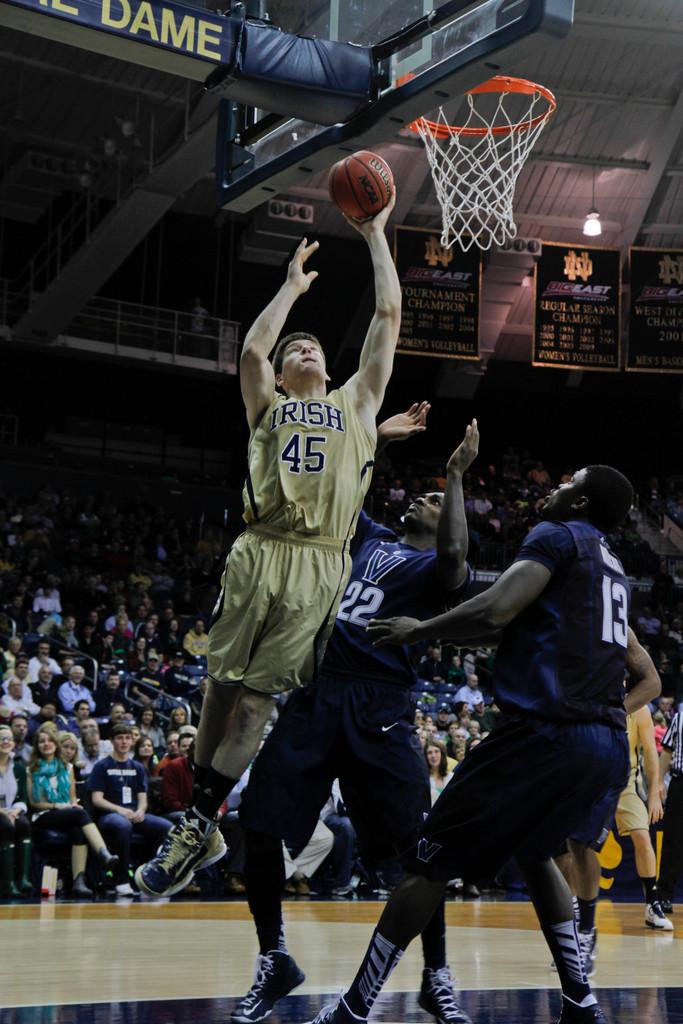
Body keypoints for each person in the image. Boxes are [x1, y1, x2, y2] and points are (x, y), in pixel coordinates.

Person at [316, 464, 659, 1024]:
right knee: (535, 850)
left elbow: (497, 608)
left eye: (566, 484)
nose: (553, 489)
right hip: (601, 747)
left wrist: (419, 630)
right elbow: (503, 627)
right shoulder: (612, 567)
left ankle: (353, 1010)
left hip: (543, 733)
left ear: (579, 504)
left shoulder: (555, 536)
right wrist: (448, 630)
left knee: (426, 861)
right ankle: (581, 1000)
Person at [136, 191, 401, 898]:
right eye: (296, 351)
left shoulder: (358, 401)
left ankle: (195, 824)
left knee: (254, 703)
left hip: (318, 559)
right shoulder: (271, 406)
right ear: (285, 377)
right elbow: (253, 348)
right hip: (258, 548)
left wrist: (374, 235)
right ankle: (203, 818)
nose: (305, 347)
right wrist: (288, 289)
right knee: (218, 690)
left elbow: (386, 315)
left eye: (313, 344)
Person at [231, 416, 476, 1024]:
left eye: (437, 499)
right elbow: (346, 485)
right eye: (424, 493)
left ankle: (436, 973)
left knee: (422, 850)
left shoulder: (441, 573)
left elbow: (452, 554)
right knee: (258, 822)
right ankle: (274, 958)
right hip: (319, 693)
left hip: (382, 706)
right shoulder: (366, 537)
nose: (425, 497)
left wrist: (454, 475)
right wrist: (379, 441)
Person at [28, 726, 119, 897]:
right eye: (42, 742)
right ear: (37, 746)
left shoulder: (67, 768)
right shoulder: (31, 770)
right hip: (42, 815)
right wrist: (57, 806)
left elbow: (72, 798)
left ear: (55, 744)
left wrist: (70, 805)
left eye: (49, 741)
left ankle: (79, 881)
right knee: (78, 814)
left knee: (78, 828)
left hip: (66, 813)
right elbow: (34, 803)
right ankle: (103, 853)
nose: (46, 744)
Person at [87, 722, 172, 896]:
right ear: (112, 740)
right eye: (120, 738)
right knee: (123, 825)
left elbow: (142, 798)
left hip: (134, 814)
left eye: (127, 738)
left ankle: (150, 876)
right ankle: (122, 880)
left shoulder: (137, 767)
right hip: (109, 816)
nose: (124, 742)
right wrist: (120, 810)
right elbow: (97, 800)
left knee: (166, 827)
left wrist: (141, 810)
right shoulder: (102, 766)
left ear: (132, 741)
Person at [0, 723, 32, 896]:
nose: (5, 742)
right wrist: (5, 813)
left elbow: (21, 797)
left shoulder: (18, 768)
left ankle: (23, 879)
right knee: (6, 827)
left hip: (11, 812)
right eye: (1, 738)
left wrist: (14, 812)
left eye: (8, 739)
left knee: (24, 825)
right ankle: (7, 882)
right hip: (1, 813)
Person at [657, 706, 683, 913]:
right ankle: (664, 895)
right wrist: (658, 781)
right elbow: (667, 750)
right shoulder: (680, 718)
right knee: (673, 841)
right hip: (680, 782)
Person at [425, 739, 452, 806]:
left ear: (442, 754)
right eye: (429, 753)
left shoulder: (452, 777)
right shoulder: (424, 778)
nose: (433, 756)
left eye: (436, 751)